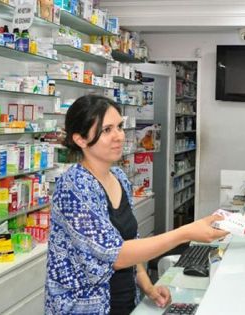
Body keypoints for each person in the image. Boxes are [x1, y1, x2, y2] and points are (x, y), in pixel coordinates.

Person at [45, 95, 228, 315]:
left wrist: (148, 286)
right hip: (85, 307)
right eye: (107, 130)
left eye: (120, 127)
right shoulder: (73, 187)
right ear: (80, 140)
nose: (119, 136)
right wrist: (187, 232)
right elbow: (116, 254)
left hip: (124, 301)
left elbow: (129, 242)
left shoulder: (119, 177)